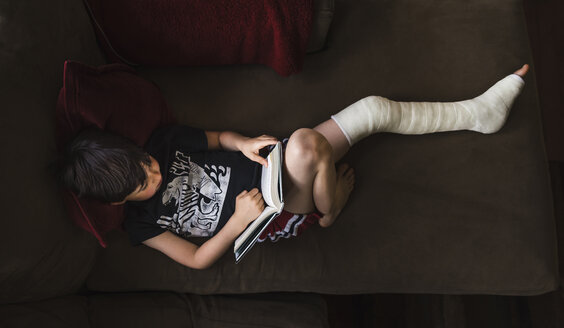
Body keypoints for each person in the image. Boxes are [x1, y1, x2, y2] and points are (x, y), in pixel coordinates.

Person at [55, 64, 529, 269]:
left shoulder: (164, 143)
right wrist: (238, 220)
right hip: (274, 213)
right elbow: (196, 261)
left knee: (372, 109)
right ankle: (330, 209)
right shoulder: (142, 223)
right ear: (119, 201)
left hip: (279, 161)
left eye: (145, 162)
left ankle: (476, 115)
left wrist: (240, 143)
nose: (153, 173)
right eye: (142, 183)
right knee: (306, 144)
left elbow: (216, 138)